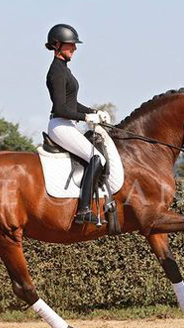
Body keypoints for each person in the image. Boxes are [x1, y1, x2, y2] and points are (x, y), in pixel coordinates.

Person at [45, 23, 111, 225]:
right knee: (96, 158)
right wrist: (85, 119)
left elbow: (72, 103)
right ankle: (83, 210)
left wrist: (94, 112)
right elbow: (60, 108)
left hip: (67, 124)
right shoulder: (56, 71)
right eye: (70, 44)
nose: (75, 48)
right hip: (60, 125)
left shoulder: (64, 69)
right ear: (57, 45)